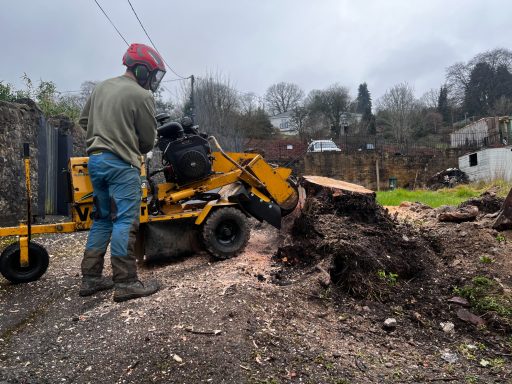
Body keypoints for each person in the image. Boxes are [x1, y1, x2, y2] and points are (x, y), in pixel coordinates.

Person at [78, 43, 166, 302]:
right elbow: (148, 141)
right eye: (152, 74)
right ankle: (126, 282)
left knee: (103, 219)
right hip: (121, 165)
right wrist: (126, 142)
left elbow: (84, 121)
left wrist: (102, 136)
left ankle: (91, 278)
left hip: (96, 162)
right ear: (142, 70)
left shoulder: (101, 87)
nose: (152, 80)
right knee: (124, 221)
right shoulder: (142, 96)